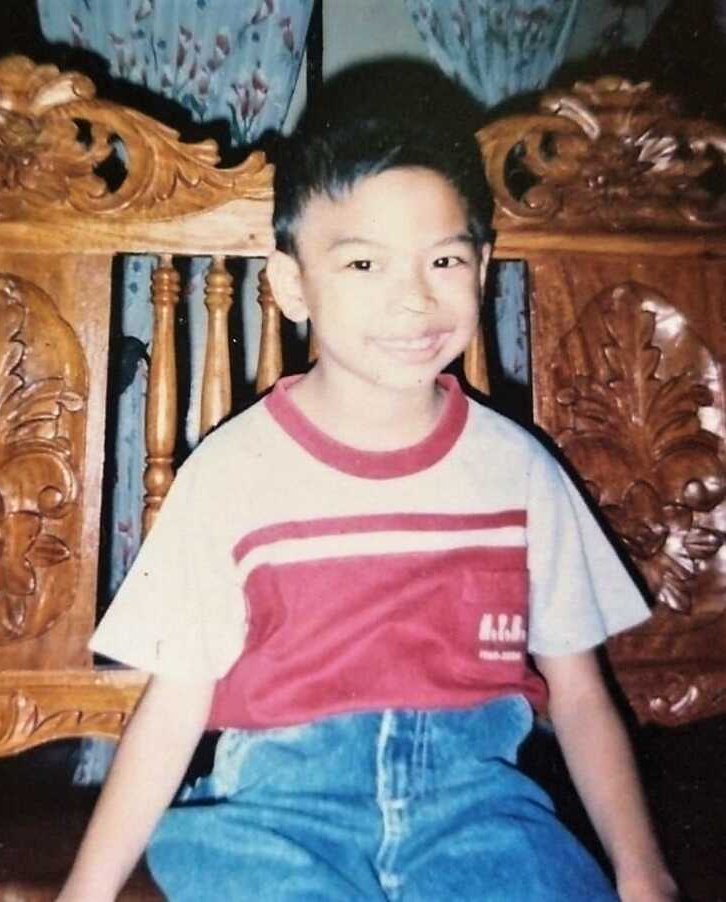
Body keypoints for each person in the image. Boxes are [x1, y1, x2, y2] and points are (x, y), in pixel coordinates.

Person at [57, 95, 678, 902]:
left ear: (482, 270)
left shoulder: (518, 470)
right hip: (277, 817)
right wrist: (86, 891)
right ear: (291, 285)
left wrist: (642, 871)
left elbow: (582, 695)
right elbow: (175, 705)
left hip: (479, 809)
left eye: (445, 262)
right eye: (362, 264)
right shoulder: (234, 472)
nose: (414, 299)